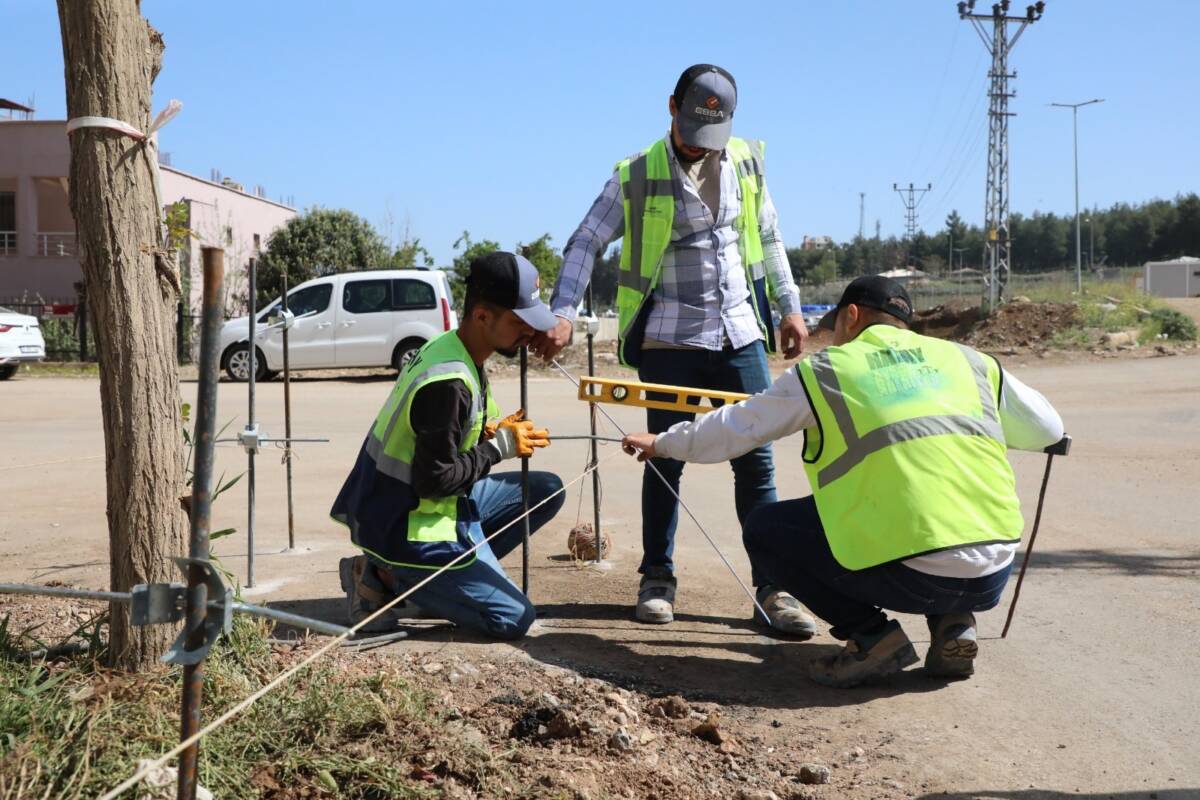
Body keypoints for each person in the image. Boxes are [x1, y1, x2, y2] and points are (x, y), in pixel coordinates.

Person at [620, 276, 1065, 687]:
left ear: (851, 316)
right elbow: (1049, 429)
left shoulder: (828, 371)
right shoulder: (967, 361)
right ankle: (955, 624)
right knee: (938, 513)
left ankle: (872, 637)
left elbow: (739, 427)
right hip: (992, 570)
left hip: (911, 572)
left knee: (766, 530)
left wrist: (662, 442)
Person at [530, 64, 813, 635]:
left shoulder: (747, 161)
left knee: (756, 461)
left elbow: (772, 234)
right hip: (671, 337)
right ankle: (657, 577)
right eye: (689, 130)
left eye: (710, 135)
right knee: (663, 457)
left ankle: (772, 588)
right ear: (670, 108)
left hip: (740, 333)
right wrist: (562, 312)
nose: (697, 145)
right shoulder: (635, 174)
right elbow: (586, 240)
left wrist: (789, 305)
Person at [332, 252, 565, 640]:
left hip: (428, 504)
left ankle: (437, 583)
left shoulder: (457, 348)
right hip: (408, 525)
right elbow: (435, 479)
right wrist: (499, 448)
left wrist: (491, 431)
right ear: (482, 317)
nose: (529, 331)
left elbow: (448, 436)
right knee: (514, 619)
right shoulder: (448, 383)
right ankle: (385, 576)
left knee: (544, 491)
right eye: (519, 321)